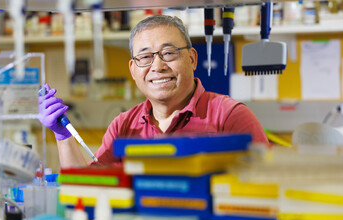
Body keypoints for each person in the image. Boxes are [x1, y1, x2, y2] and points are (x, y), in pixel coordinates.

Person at [39, 15, 269, 168]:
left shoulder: (229, 116)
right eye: (145, 57)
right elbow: (88, 189)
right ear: (133, 69)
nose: (157, 66)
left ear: (191, 58)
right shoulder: (123, 126)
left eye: (168, 53)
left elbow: (264, 188)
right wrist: (63, 136)